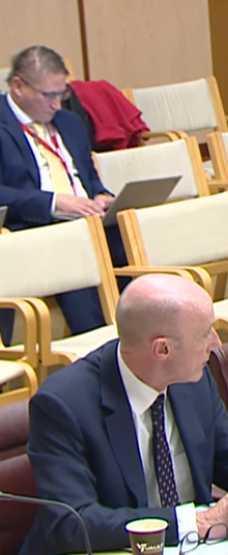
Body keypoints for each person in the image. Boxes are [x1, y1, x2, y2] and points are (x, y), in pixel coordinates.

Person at [20, 274, 228, 555]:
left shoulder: (193, 379)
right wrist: (196, 522)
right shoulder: (64, 404)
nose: (216, 343)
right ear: (162, 349)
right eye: (205, 333)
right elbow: (73, 523)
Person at [0, 45, 118, 344]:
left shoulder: (69, 122)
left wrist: (101, 194)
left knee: (137, 239)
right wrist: (53, 202)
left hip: (89, 220)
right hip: (36, 226)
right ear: (18, 86)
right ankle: (99, 352)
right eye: (48, 95)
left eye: (61, 94)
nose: (56, 104)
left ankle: (143, 344)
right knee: (74, 254)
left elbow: (88, 175)